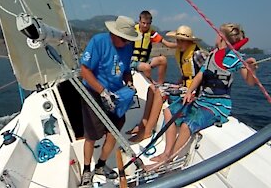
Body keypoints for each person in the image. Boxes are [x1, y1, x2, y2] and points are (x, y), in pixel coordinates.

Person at [150, 23, 257, 164]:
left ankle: (168, 159)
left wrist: (251, 69)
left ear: (221, 37)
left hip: (217, 106)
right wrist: (189, 91)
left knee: (187, 124)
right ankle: (166, 152)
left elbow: (250, 82)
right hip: (201, 99)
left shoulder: (236, 57)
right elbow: (200, 75)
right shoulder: (212, 55)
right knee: (169, 111)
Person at [79, 16, 141, 187]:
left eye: (129, 40)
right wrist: (102, 92)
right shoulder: (99, 42)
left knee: (113, 131)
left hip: (116, 94)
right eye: (124, 39)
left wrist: (129, 82)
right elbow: (84, 70)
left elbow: (126, 70)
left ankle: (100, 165)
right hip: (93, 92)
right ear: (114, 34)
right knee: (91, 135)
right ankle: (86, 170)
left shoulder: (128, 47)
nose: (127, 43)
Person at [128, 25, 206, 142]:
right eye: (177, 40)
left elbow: (205, 74)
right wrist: (179, 83)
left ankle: (147, 132)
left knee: (160, 92)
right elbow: (188, 73)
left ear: (189, 41)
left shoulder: (198, 54)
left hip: (193, 91)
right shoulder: (181, 51)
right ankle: (142, 124)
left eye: (182, 40)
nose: (178, 43)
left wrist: (197, 93)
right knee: (152, 88)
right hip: (184, 86)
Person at [131, 10, 176, 84]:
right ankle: (151, 83)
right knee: (147, 67)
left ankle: (160, 84)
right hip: (133, 62)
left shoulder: (151, 33)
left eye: (148, 24)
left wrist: (179, 45)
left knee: (163, 60)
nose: (145, 26)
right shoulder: (133, 31)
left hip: (144, 62)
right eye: (143, 23)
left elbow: (167, 44)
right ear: (139, 21)